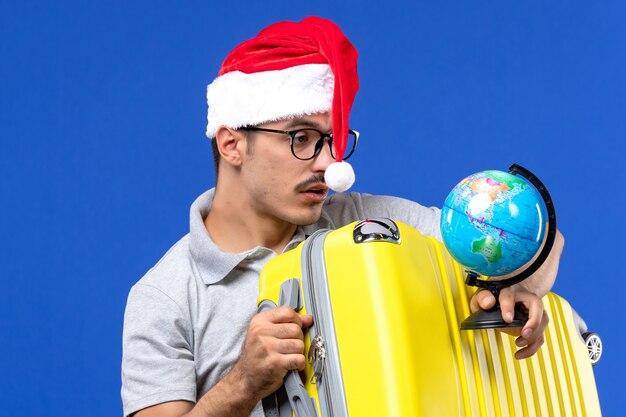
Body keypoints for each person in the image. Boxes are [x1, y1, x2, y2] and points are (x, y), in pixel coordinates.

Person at [121, 16, 564, 417]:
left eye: (335, 140)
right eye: (302, 138)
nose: (331, 166)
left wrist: (512, 288)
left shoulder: (374, 225)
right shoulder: (164, 298)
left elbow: (539, 242)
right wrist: (243, 384)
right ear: (231, 144)